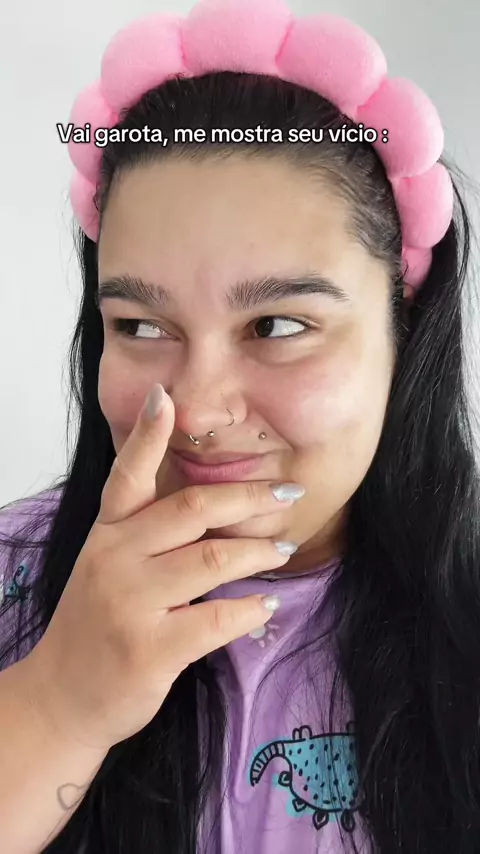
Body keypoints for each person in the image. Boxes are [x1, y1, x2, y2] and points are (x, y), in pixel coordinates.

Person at [0, 0, 478, 852]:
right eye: (140, 326)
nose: (196, 411)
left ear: (404, 329)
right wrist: (58, 706)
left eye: (277, 326)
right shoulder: (13, 574)